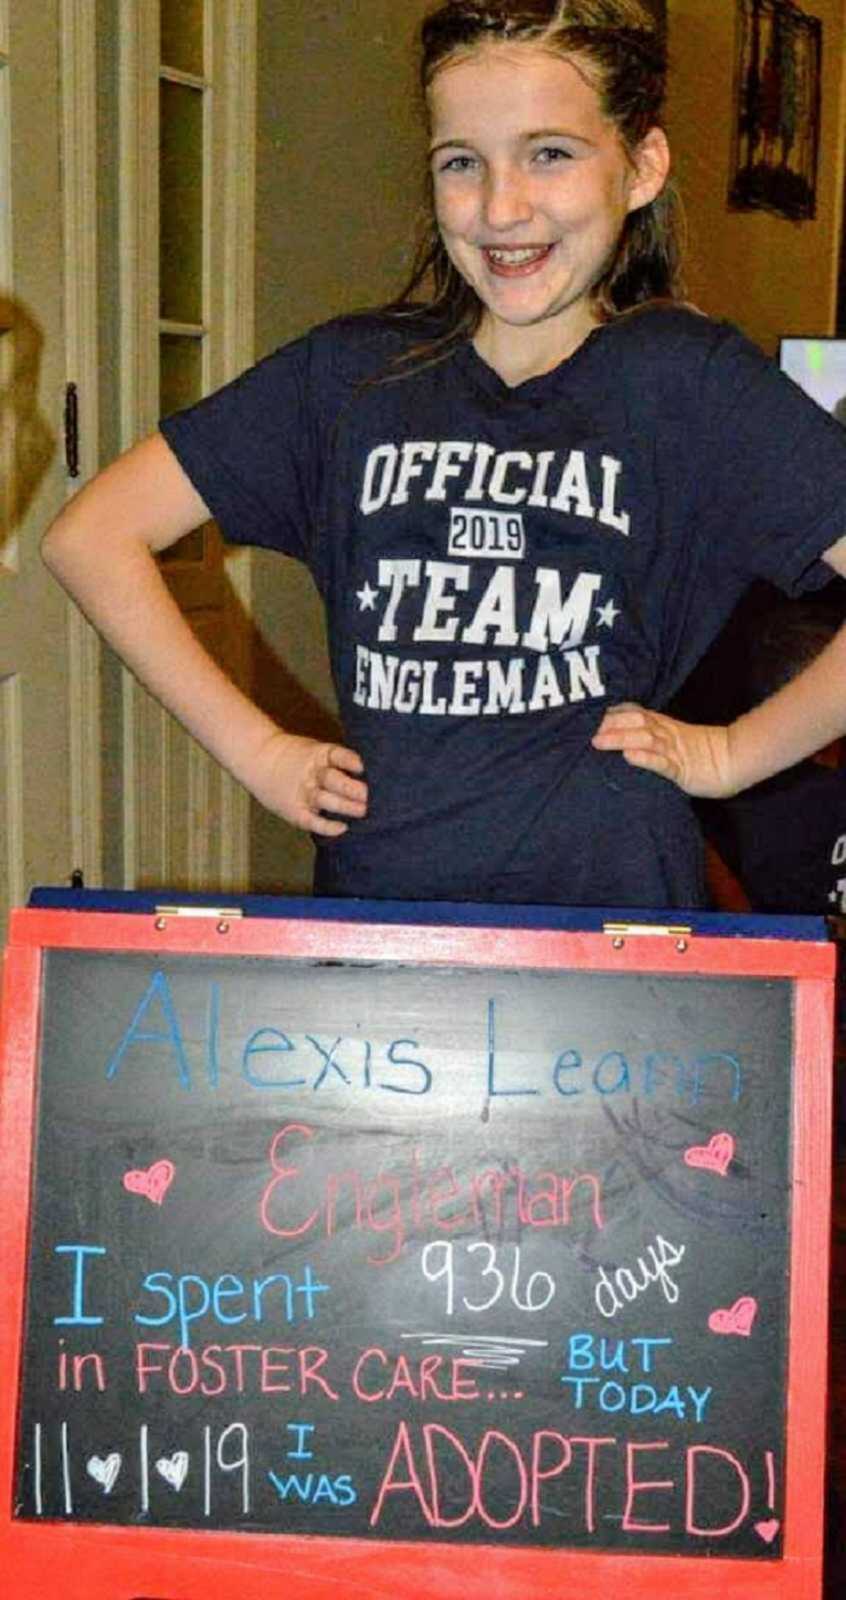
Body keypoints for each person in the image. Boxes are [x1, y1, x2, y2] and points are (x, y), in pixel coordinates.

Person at [42, 0, 846, 909]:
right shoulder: (346, 377)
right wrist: (257, 749)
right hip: (386, 924)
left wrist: (734, 752)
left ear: (640, 167)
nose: (502, 207)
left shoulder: (690, 383)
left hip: (614, 931)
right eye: (462, 163)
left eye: (551, 153)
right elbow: (91, 535)